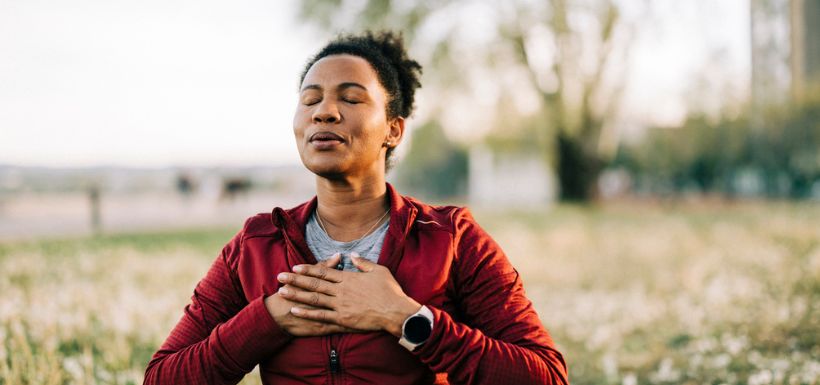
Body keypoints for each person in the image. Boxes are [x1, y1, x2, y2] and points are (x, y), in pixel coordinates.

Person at [144, 30, 568, 385]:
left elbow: (547, 375)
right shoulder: (256, 244)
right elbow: (162, 377)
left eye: (350, 98)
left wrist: (405, 317)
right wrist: (268, 319)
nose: (324, 112)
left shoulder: (451, 239)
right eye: (310, 100)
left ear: (393, 129)